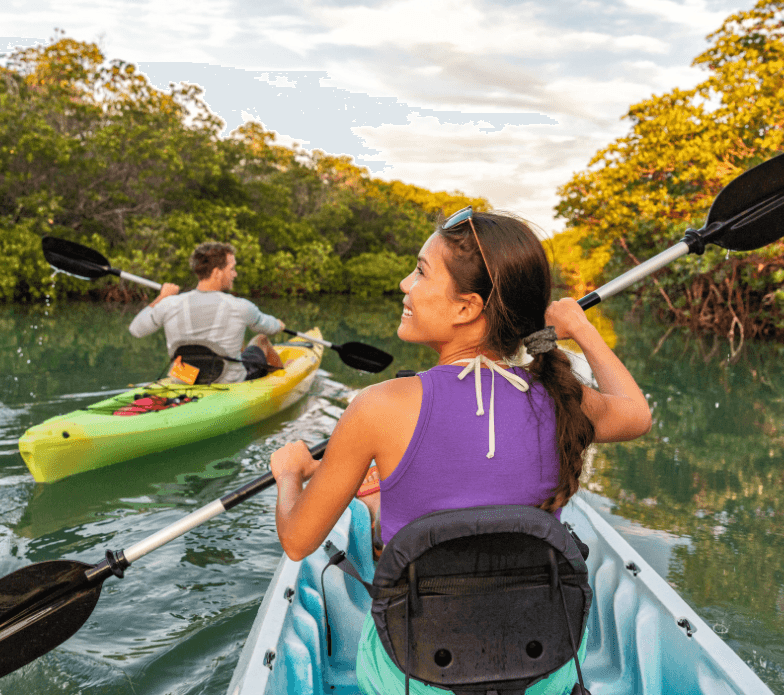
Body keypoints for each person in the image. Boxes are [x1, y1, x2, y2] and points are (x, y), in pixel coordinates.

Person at [269, 209, 652, 695]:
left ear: (467, 307)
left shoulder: (378, 407)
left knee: (372, 511)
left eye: (421, 271)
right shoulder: (562, 398)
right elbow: (636, 413)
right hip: (540, 672)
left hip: (414, 677)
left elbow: (299, 542)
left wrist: (290, 474)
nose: (405, 284)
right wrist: (578, 327)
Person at [129, 242, 286, 383]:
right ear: (217, 272)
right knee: (261, 340)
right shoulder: (241, 306)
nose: (235, 274)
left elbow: (136, 330)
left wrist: (162, 297)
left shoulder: (169, 303)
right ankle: (284, 379)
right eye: (231, 269)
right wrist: (279, 325)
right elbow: (270, 327)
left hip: (185, 378)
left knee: (238, 344)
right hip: (227, 381)